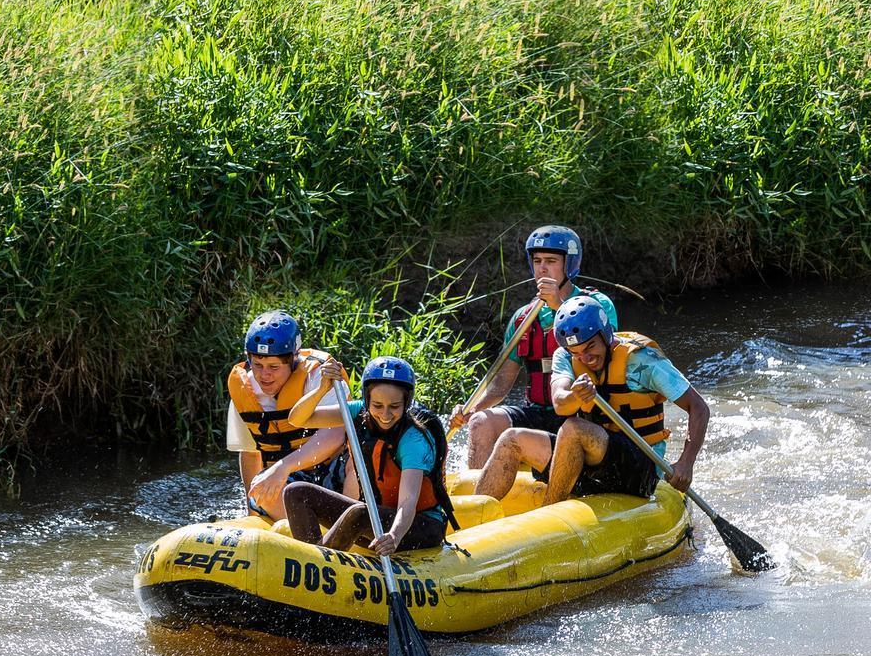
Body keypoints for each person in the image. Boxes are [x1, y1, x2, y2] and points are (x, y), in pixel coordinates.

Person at [475, 294, 709, 505]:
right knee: (512, 439)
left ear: (606, 334)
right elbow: (559, 401)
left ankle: (550, 511)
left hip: (639, 466)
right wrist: (576, 395)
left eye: (590, 347)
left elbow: (698, 407)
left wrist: (686, 462)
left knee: (573, 428)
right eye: (577, 352)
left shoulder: (644, 361)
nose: (585, 358)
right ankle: (472, 518)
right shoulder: (565, 356)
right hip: (591, 462)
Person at [450, 225, 618, 472]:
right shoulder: (523, 319)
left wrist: (558, 305)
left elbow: (608, 357)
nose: (542, 268)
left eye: (551, 261)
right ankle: (477, 501)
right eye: (537, 261)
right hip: (536, 412)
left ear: (569, 265)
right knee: (481, 422)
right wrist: (470, 410)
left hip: (582, 416)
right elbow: (500, 385)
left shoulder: (597, 305)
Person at [281, 356, 454, 556]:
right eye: (378, 406)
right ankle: (314, 561)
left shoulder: (413, 440)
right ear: (366, 399)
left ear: (406, 402)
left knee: (362, 513)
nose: (385, 415)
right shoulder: (357, 412)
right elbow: (297, 419)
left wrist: (394, 536)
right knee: (296, 492)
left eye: (394, 406)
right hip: (376, 517)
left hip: (420, 526)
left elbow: (408, 501)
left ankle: (316, 562)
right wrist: (322, 389)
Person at [226, 310, 347, 521]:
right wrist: (252, 514)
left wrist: (283, 467)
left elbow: (335, 435)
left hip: (335, 473)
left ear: (294, 359)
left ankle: (345, 528)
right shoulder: (244, 388)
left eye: (274, 366)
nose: (264, 375)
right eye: (258, 365)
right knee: (261, 494)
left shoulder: (320, 375)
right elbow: (250, 453)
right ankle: (297, 527)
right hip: (291, 479)